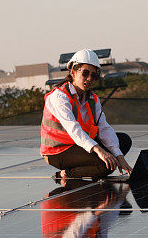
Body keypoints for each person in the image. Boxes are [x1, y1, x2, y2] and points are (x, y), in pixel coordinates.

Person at [41, 49, 133, 179]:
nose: (89, 79)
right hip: (58, 151)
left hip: (80, 145)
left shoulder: (92, 99)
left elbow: (104, 128)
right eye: (85, 73)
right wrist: (100, 151)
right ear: (72, 72)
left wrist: (120, 157)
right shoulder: (59, 97)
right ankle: (65, 174)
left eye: (93, 75)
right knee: (105, 164)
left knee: (123, 141)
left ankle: (92, 165)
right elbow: (74, 129)